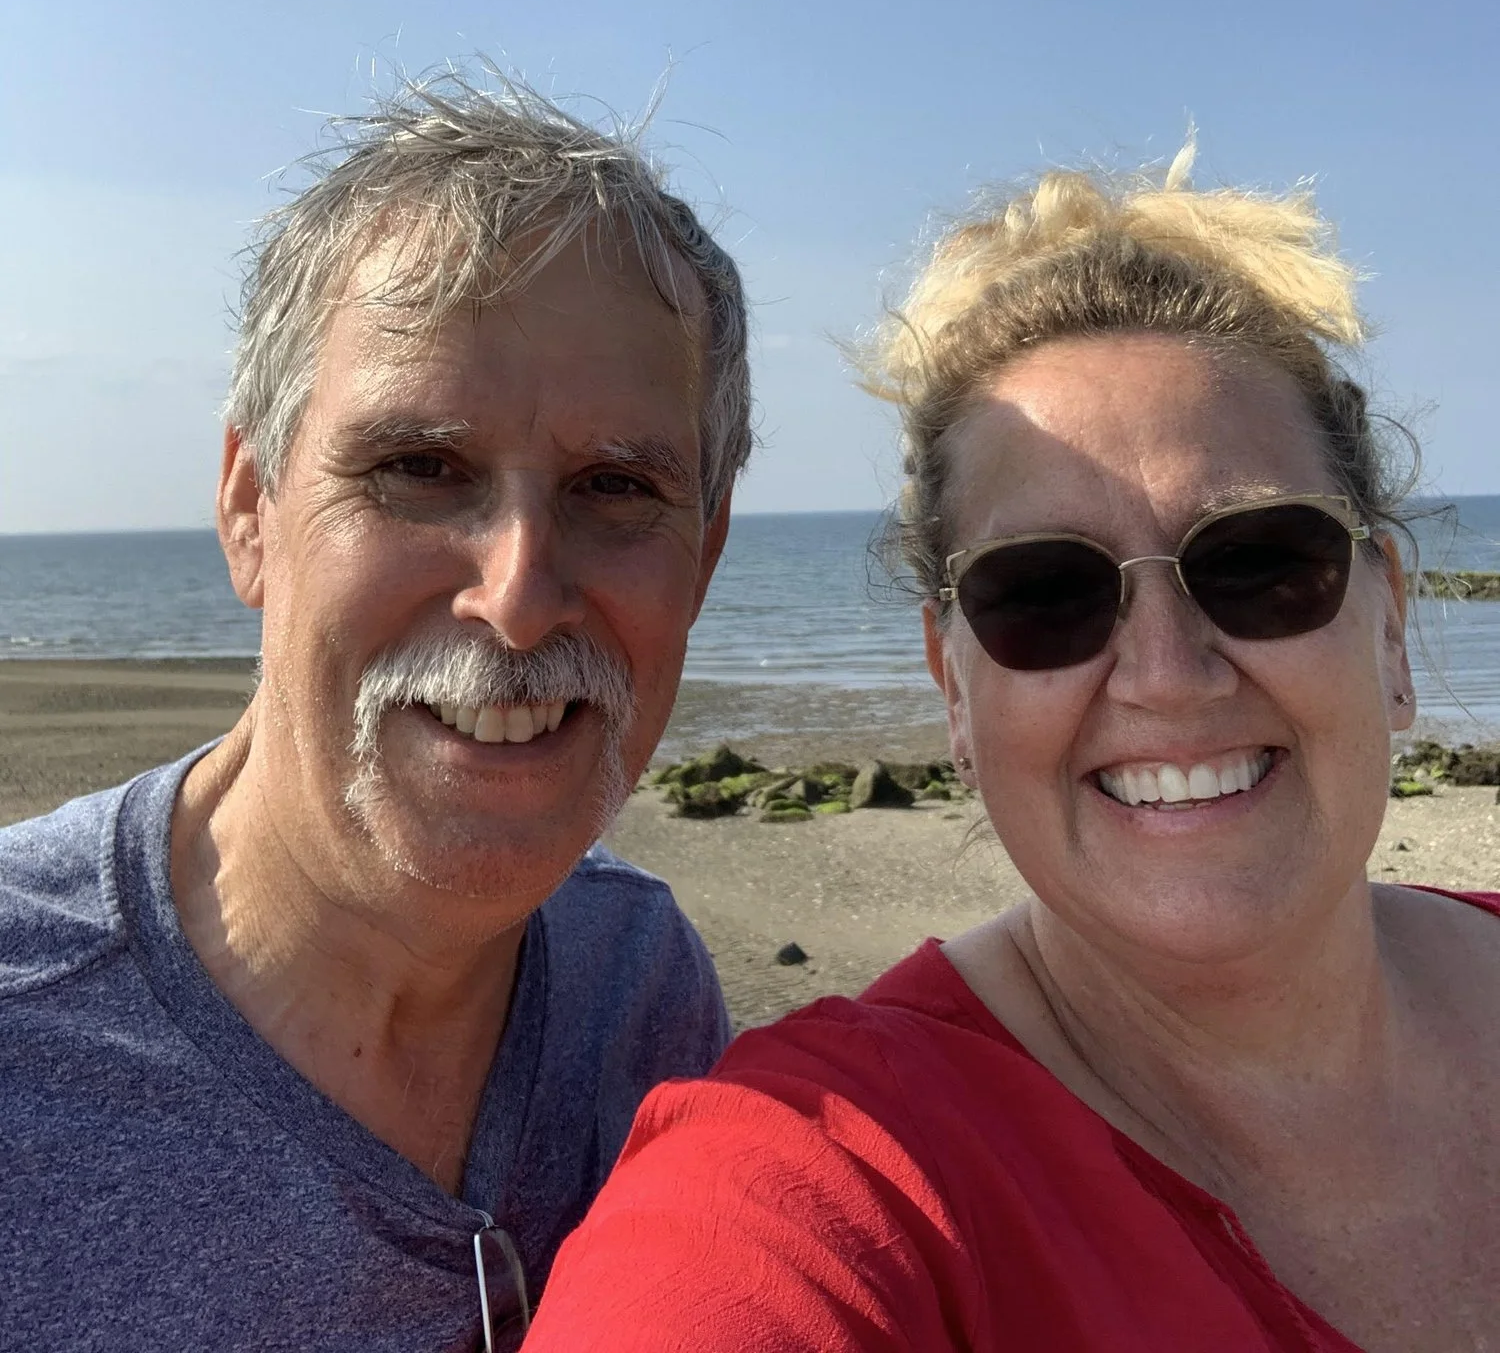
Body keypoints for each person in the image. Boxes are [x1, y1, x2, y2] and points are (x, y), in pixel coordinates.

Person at [528, 146, 1500, 1353]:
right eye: (1043, 590)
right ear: (953, 686)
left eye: (1259, 560)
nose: (1165, 671)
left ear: (1391, 622)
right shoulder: (828, 1176)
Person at [0, 72, 751, 1351]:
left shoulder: (644, 987)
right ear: (251, 508)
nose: (517, 596)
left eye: (616, 485)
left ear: (709, 551)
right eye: (418, 467)